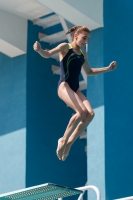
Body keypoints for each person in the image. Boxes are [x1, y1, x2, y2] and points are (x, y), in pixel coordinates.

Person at [33, 25, 117, 161]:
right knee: (80, 111)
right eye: (84, 38)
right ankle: (63, 140)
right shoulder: (65, 47)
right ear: (75, 36)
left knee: (90, 114)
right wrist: (39, 50)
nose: (86, 42)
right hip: (64, 86)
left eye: (88, 39)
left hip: (75, 89)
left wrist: (107, 68)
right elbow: (48, 54)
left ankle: (69, 144)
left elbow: (89, 71)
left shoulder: (83, 54)